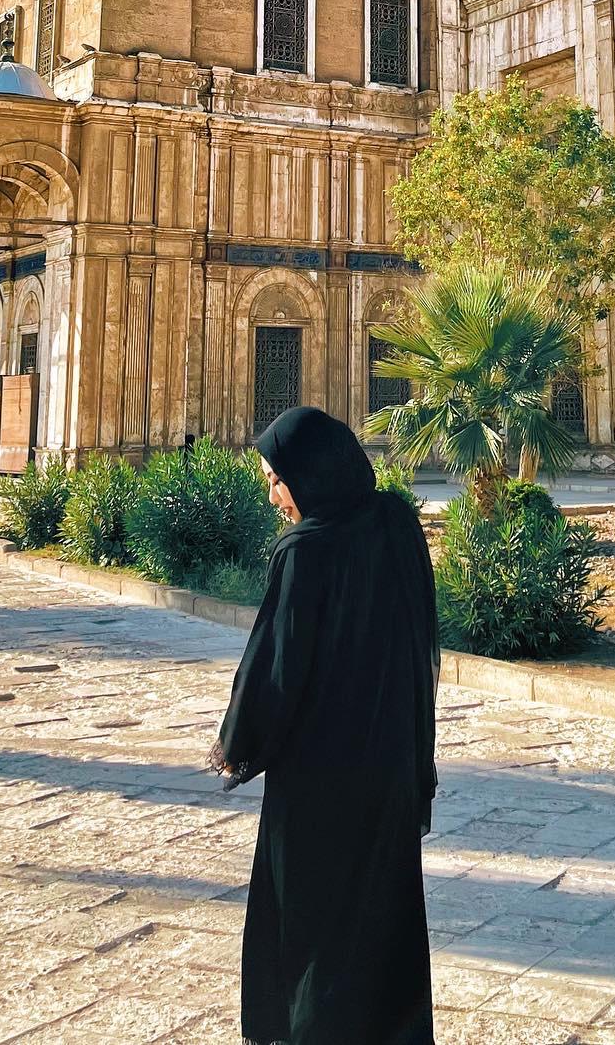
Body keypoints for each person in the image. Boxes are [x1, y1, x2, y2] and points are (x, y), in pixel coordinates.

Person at [212, 405, 439, 1045]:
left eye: (277, 480)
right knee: (382, 912)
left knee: (313, 922)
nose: (274, 496)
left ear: (309, 475)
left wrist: (239, 741)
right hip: (390, 766)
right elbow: (421, 643)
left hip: (319, 781)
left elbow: (276, 669)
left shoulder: (305, 551)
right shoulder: (397, 525)